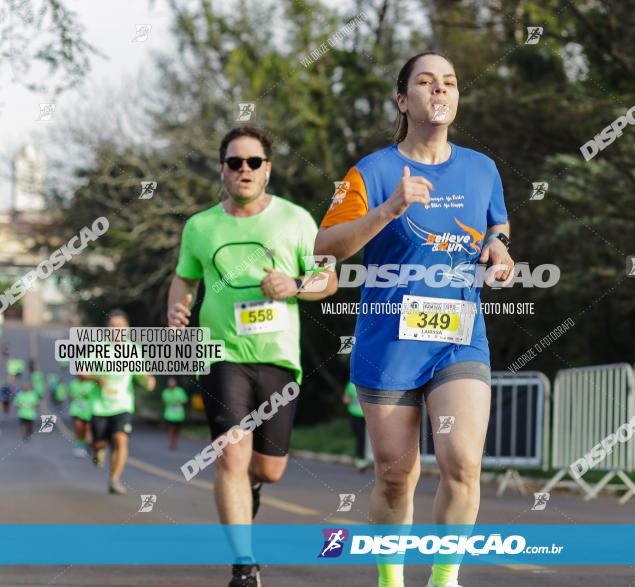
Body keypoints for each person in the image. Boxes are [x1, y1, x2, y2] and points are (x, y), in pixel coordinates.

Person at [314, 52, 514, 587]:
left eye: (449, 81)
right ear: (404, 101)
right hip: (389, 340)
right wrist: (387, 210)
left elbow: (497, 226)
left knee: (463, 462)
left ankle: (444, 579)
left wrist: (498, 249)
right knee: (397, 474)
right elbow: (324, 245)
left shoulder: (482, 168)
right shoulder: (370, 172)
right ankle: (390, 578)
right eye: (426, 82)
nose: (440, 90)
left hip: (458, 336)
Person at [167, 125, 338, 587]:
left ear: (268, 169)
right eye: (235, 162)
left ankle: (254, 488)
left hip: (278, 357)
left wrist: (295, 285)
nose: (244, 170)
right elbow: (185, 278)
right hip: (220, 352)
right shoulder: (200, 226)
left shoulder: (296, 219)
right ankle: (244, 564)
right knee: (229, 455)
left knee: (268, 469)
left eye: (253, 162)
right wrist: (176, 308)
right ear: (222, 169)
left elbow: (329, 280)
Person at [82, 309, 156, 494]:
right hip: (100, 405)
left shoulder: (133, 349)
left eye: (120, 327)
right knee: (100, 443)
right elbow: (81, 372)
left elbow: (141, 373)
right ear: (108, 329)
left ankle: (114, 479)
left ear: (127, 329)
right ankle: (97, 449)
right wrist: (97, 379)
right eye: (113, 327)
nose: (117, 331)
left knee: (121, 439)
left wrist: (147, 380)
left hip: (123, 404)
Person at [341, 380, 368, 471]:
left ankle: (369, 458)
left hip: (369, 416)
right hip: (355, 415)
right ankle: (360, 458)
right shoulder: (351, 384)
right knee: (360, 437)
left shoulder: (370, 382)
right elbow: (345, 399)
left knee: (371, 438)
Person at [68, 375, 94, 458]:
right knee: (78, 427)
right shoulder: (73, 384)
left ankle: (88, 445)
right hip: (77, 410)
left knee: (87, 429)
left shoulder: (91, 384)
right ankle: (80, 446)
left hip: (89, 411)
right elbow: (71, 397)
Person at [161, 377, 187, 450]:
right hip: (169, 415)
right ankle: (172, 442)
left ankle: (175, 441)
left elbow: (185, 400)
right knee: (171, 429)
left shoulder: (180, 391)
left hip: (179, 415)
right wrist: (171, 402)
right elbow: (164, 401)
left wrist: (178, 402)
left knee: (177, 430)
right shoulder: (165, 392)